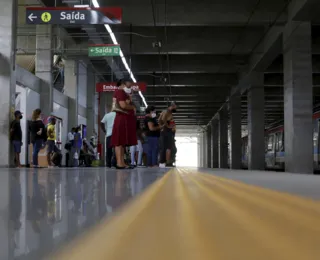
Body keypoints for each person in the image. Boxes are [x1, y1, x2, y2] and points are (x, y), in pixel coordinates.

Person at [110, 78, 137, 169]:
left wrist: (130, 98)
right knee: (119, 142)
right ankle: (119, 162)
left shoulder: (124, 93)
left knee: (122, 142)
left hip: (124, 119)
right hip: (122, 119)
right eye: (129, 84)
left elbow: (126, 103)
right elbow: (123, 105)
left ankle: (122, 162)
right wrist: (133, 107)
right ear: (123, 84)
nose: (130, 86)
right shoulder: (120, 92)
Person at [158, 101, 177, 168]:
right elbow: (163, 119)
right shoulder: (167, 111)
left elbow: (160, 120)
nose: (176, 107)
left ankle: (164, 162)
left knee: (166, 147)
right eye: (175, 106)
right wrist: (167, 126)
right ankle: (164, 162)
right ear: (172, 105)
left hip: (166, 131)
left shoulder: (167, 112)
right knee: (166, 147)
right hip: (166, 131)